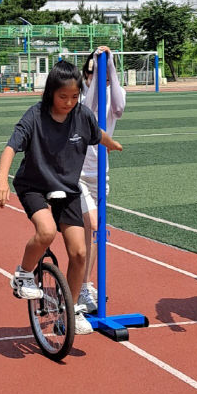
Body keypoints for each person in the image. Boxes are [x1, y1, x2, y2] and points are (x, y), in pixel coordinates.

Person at [0, 59, 123, 335]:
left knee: (79, 252)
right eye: (63, 96)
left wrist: (110, 143)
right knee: (47, 231)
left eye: (75, 96)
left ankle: (72, 308)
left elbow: (95, 133)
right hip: (34, 186)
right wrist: (2, 179)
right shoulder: (35, 116)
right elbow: (10, 147)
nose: (69, 102)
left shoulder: (82, 114)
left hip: (67, 188)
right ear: (51, 92)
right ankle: (24, 274)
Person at [76, 46, 126, 314]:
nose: (101, 78)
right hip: (78, 173)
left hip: (101, 171)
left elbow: (118, 107)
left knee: (93, 235)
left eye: (104, 74)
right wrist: (96, 66)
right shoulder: (81, 97)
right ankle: (80, 286)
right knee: (92, 224)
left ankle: (83, 284)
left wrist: (111, 68)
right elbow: (91, 107)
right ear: (86, 75)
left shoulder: (114, 92)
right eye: (93, 73)